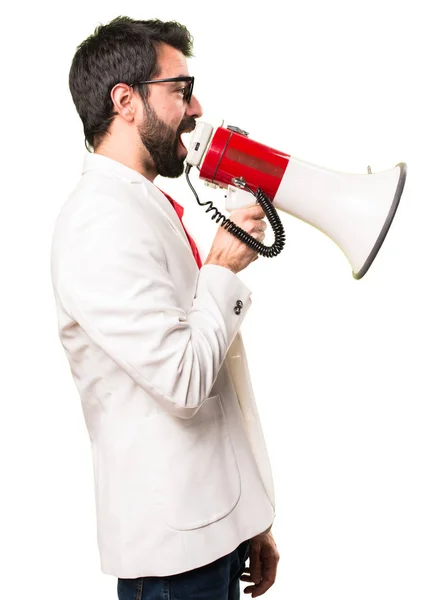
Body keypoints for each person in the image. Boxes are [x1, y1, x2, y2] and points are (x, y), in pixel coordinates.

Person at [50, 16, 280, 600]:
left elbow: (214, 383)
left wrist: (247, 519)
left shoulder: (138, 204)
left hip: (212, 535)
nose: (196, 107)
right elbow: (182, 381)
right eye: (180, 90)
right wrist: (221, 269)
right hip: (176, 559)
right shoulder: (99, 221)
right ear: (126, 101)